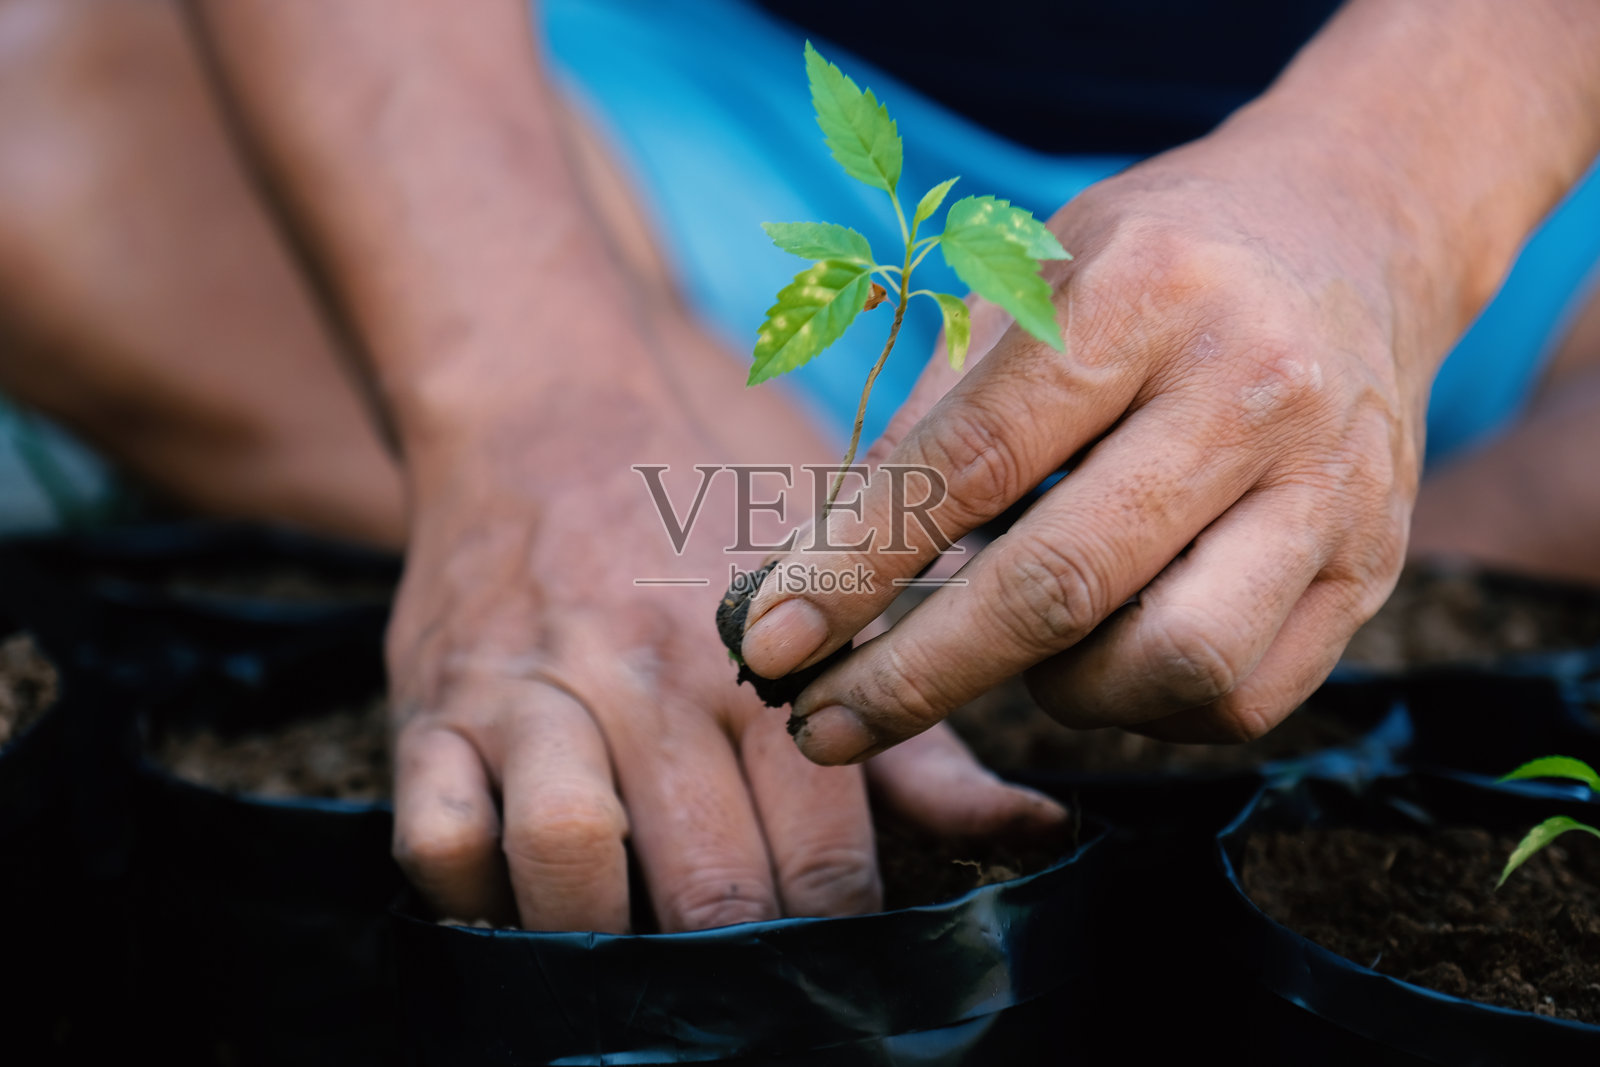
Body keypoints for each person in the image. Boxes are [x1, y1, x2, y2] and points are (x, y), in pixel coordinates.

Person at [0, 0, 1597, 934]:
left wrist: (1397, 195)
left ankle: (1251, 542)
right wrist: (539, 405)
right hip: (675, 134)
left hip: (1491, 176)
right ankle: (747, 489)